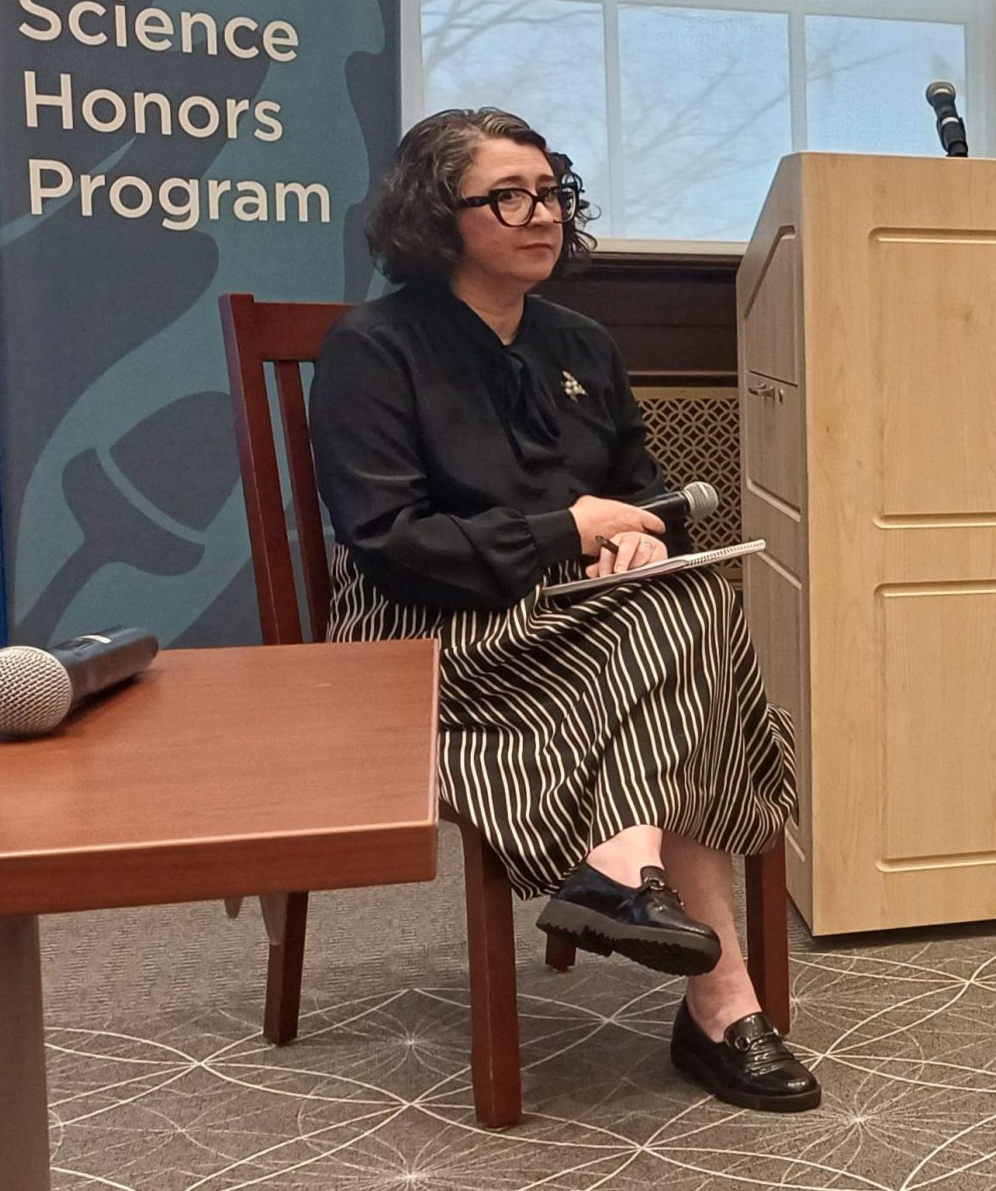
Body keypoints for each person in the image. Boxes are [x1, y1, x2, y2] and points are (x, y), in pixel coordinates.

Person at [309, 108, 818, 1111]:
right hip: (425, 625)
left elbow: (646, 485)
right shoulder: (373, 347)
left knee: (677, 592)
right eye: (507, 195)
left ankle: (638, 891)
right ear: (434, 214)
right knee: (684, 624)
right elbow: (390, 540)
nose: (539, 214)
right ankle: (714, 1000)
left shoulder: (581, 340)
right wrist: (565, 531)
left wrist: (640, 534)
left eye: (550, 192)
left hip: (582, 617)